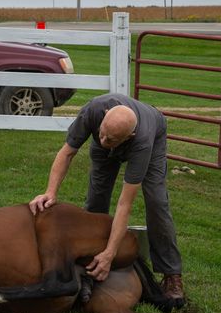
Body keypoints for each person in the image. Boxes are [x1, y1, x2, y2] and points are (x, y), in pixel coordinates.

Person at [28, 93, 184, 301]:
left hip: (153, 132)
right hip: (113, 130)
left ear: (129, 136)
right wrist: (51, 191)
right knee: (96, 199)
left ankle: (171, 273)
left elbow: (124, 204)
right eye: (101, 134)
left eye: (109, 139)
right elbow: (66, 152)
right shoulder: (93, 111)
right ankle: (90, 265)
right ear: (104, 117)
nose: (102, 141)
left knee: (156, 201)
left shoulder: (142, 141)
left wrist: (111, 252)